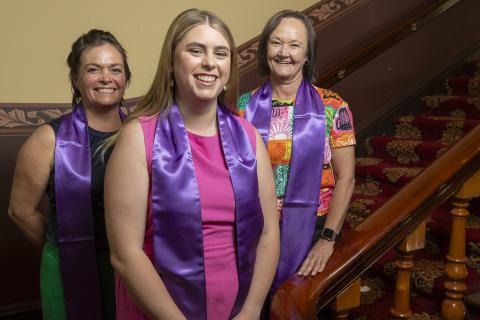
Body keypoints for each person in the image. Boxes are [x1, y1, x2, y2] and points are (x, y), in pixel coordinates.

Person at [104, 8, 279, 320]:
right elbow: (125, 254)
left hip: (235, 310)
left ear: (229, 68)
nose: (209, 62)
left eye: (220, 53)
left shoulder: (249, 137)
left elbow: (267, 233)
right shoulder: (138, 137)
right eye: (195, 50)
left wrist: (251, 310)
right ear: (171, 63)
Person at [8, 29, 131, 320]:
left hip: (131, 268)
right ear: (76, 79)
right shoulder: (49, 138)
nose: (105, 78)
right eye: (93, 69)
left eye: (115, 69)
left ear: (125, 78)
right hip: (70, 267)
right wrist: (65, 247)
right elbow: (20, 210)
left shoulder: (140, 133)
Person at [237, 10, 356, 295]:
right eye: (276, 43)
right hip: (256, 229)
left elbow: (346, 178)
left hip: (313, 229)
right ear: (265, 48)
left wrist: (328, 239)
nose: (284, 53)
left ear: (307, 55)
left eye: (294, 45)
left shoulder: (333, 106)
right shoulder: (243, 107)